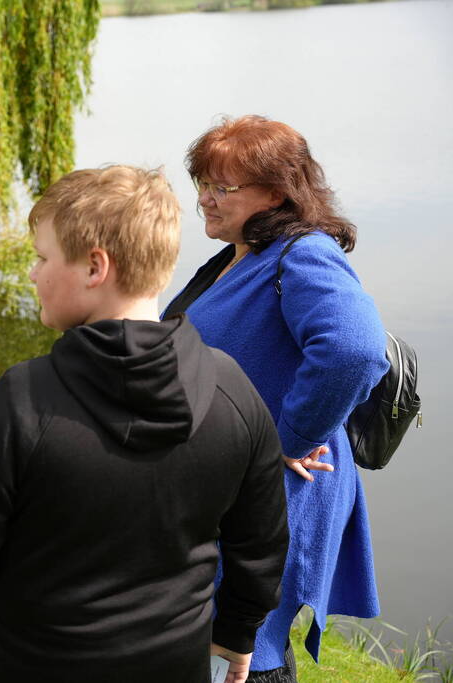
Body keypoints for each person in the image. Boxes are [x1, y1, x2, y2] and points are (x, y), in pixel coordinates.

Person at [0, 165, 290, 682]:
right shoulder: (233, 392)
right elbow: (261, 547)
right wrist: (235, 633)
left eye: (42, 258)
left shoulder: (24, 400)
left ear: (95, 267)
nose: (32, 274)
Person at [163, 114, 389, 682]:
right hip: (233, 481)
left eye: (223, 188)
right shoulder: (242, 254)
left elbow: (355, 349)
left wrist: (288, 437)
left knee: (243, 649)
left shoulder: (302, 253)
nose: (205, 201)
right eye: (202, 185)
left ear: (279, 191)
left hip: (279, 485)